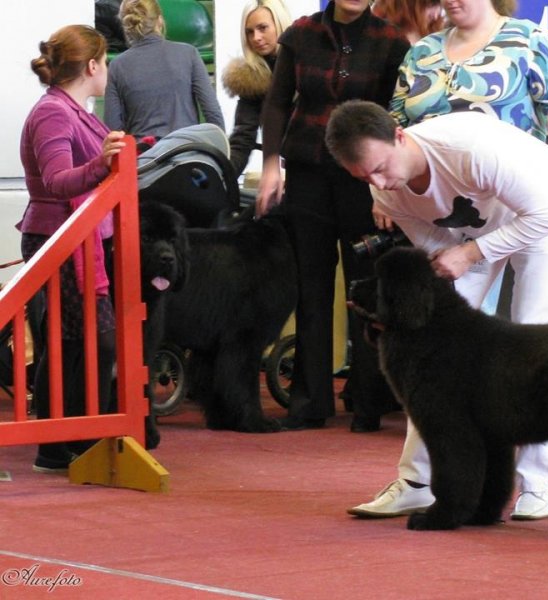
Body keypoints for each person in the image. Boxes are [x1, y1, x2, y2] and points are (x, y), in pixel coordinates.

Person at [347, 0, 548, 521]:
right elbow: (393, 125)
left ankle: (535, 484)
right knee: (430, 344)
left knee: (538, 336)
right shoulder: (421, 52)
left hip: (530, 204)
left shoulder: (525, 38)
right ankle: (417, 479)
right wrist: (389, 191)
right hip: (457, 211)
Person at [255, 1, 409, 433]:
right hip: (307, 173)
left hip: (365, 180)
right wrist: (271, 166)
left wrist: (386, 190)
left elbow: (397, 116)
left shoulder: (392, 41)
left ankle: (368, 402)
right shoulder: (300, 35)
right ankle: (309, 402)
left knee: (366, 289)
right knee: (311, 286)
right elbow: (276, 103)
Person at [19, 24, 126, 473]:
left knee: (77, 344)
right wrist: (103, 162)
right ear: (93, 65)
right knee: (76, 344)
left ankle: (68, 440)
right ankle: (62, 442)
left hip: (76, 238)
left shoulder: (68, 109)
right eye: (107, 61)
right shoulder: (54, 113)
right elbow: (60, 180)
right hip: (59, 238)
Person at [103, 0, 224, 139]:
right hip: (188, 153)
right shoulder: (188, 53)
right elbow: (213, 113)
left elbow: (113, 130)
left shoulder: (117, 66)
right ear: (160, 21)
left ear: (126, 26)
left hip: (143, 157)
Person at [221, 0, 292, 177]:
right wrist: (223, 177)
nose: (256, 38)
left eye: (263, 28)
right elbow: (243, 137)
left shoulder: (307, 66)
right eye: (249, 32)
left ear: (280, 23)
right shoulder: (253, 78)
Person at [371, 0, 443, 44]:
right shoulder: (378, 26)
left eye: (441, 5)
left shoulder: (436, 31)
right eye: (432, 5)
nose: (436, 14)